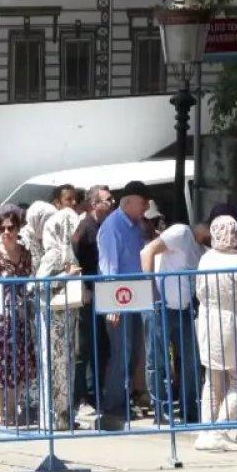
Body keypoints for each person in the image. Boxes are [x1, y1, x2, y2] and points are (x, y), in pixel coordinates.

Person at [193, 216, 237, 452]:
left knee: (213, 380)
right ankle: (221, 428)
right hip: (233, 321)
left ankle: (206, 430)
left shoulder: (205, 259)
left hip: (208, 319)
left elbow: (200, 292)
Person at [96, 180, 149, 430]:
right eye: (143, 202)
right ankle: (114, 405)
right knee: (121, 352)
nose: (146, 207)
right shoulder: (112, 227)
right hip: (120, 299)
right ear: (128, 202)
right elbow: (109, 268)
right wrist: (112, 305)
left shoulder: (136, 225)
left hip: (135, 297)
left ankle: (124, 399)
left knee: (133, 350)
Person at [141, 223, 204, 423]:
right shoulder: (181, 232)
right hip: (162, 306)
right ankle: (159, 409)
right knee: (157, 361)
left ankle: (189, 409)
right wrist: (151, 289)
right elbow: (147, 251)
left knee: (190, 360)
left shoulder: (200, 248)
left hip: (184, 309)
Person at [0, 206, 36, 426]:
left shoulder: (25, 254)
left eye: (10, 228)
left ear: (18, 228)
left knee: (19, 364)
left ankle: (14, 410)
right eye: (1, 228)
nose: (6, 232)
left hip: (21, 316)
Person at [35, 200, 82, 430]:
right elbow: (39, 285)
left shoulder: (67, 253)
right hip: (54, 320)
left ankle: (62, 417)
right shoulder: (53, 254)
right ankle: (53, 418)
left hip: (65, 318)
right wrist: (66, 277)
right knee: (54, 368)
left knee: (64, 368)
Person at [73, 184, 113, 407]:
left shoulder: (104, 226)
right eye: (106, 200)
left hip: (103, 291)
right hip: (90, 294)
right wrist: (83, 287)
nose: (111, 203)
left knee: (102, 346)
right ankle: (85, 396)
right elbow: (76, 259)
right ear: (94, 204)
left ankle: (97, 392)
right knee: (87, 347)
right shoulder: (86, 227)